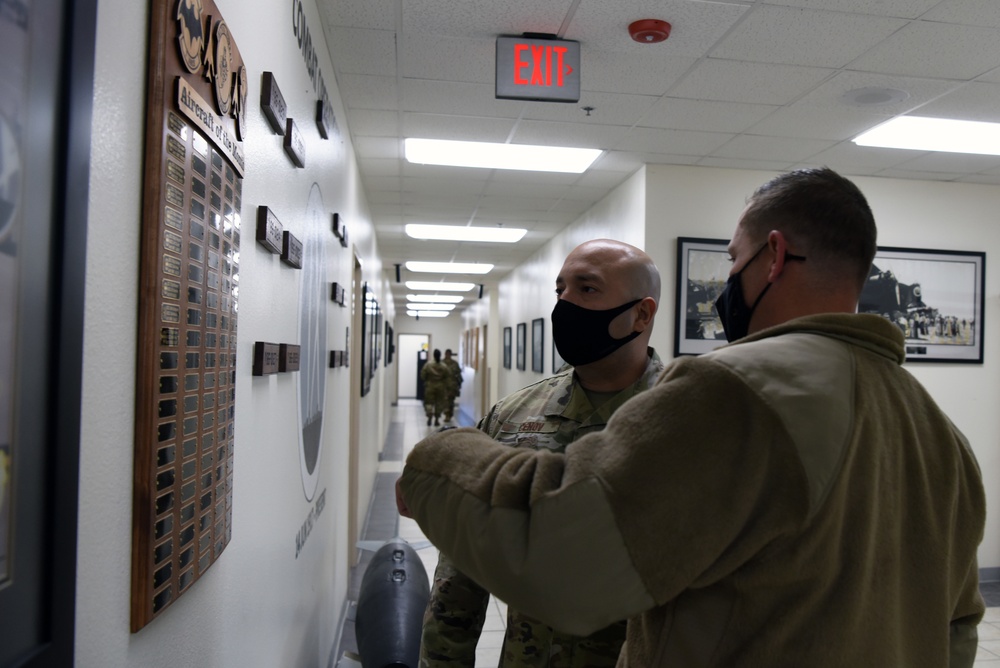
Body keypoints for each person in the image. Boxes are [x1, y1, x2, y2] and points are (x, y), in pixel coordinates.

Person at [398, 168, 986, 667]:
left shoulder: (734, 389)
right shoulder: (940, 435)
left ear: (774, 255)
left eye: (733, 259)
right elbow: (957, 628)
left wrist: (437, 459)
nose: (728, 279)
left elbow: (561, 557)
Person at [419, 239, 665, 667]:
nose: (564, 304)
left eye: (586, 289)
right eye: (560, 290)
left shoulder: (685, 420)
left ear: (642, 313)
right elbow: (463, 567)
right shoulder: (512, 416)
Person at [420, 349, 450, 426]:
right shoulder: (444, 366)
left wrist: (427, 380)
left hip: (430, 385)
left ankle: (429, 415)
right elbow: (447, 376)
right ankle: (437, 419)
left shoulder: (428, 364)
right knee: (439, 403)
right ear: (440, 355)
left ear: (433, 355)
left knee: (429, 402)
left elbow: (423, 375)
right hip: (440, 386)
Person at [441, 349, 462, 423]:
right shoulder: (441, 363)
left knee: (451, 401)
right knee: (445, 401)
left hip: (453, 386)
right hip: (444, 385)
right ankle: (447, 415)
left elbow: (459, 375)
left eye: (448, 354)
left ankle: (450, 414)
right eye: (446, 354)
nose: (447, 355)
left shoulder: (455, 363)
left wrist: (459, 384)